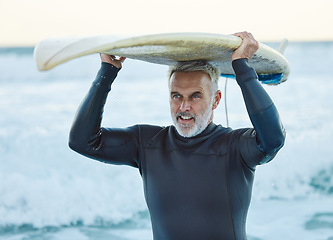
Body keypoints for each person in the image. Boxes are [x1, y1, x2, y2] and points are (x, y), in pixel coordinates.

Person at [69, 31, 286, 240]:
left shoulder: (235, 147)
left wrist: (242, 68)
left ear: (216, 100)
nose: (184, 106)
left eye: (195, 96)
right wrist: (107, 72)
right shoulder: (147, 143)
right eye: (176, 96)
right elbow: (83, 141)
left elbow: (273, 139)